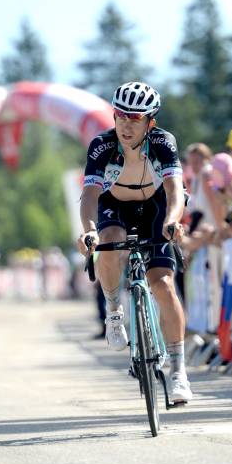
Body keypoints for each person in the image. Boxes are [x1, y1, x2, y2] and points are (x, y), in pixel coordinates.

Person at [77, 81, 192, 403]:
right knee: (110, 240)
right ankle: (114, 313)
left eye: (135, 118)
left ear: (150, 122)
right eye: (120, 116)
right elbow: (89, 194)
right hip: (116, 205)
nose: (126, 124)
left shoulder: (162, 142)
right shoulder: (101, 145)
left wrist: (172, 221)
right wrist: (88, 229)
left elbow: (173, 189)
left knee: (164, 285)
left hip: (157, 206)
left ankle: (179, 371)